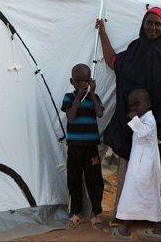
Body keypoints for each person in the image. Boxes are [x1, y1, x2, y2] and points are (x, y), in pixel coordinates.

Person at [95, 6, 161, 227]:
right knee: (132, 168)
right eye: (150, 23)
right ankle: (127, 215)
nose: (153, 28)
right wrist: (102, 33)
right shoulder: (135, 50)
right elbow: (114, 63)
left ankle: (159, 216)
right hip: (133, 126)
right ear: (143, 25)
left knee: (159, 170)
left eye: (158, 24)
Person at [111, 89, 161, 240]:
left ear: (148, 104)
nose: (134, 108)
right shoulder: (144, 118)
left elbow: (143, 132)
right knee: (136, 194)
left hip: (146, 167)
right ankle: (130, 228)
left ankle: (136, 229)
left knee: (139, 194)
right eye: (131, 106)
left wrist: (134, 119)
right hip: (140, 165)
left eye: (137, 104)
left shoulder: (149, 120)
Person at [61, 63, 105, 229]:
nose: (81, 84)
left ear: (90, 81)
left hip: (91, 147)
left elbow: (100, 113)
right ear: (72, 81)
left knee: (94, 179)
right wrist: (78, 98)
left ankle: (95, 213)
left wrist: (92, 93)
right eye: (78, 81)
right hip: (74, 147)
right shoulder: (69, 98)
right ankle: (76, 213)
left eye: (85, 81)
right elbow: (71, 117)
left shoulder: (95, 97)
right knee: (74, 179)